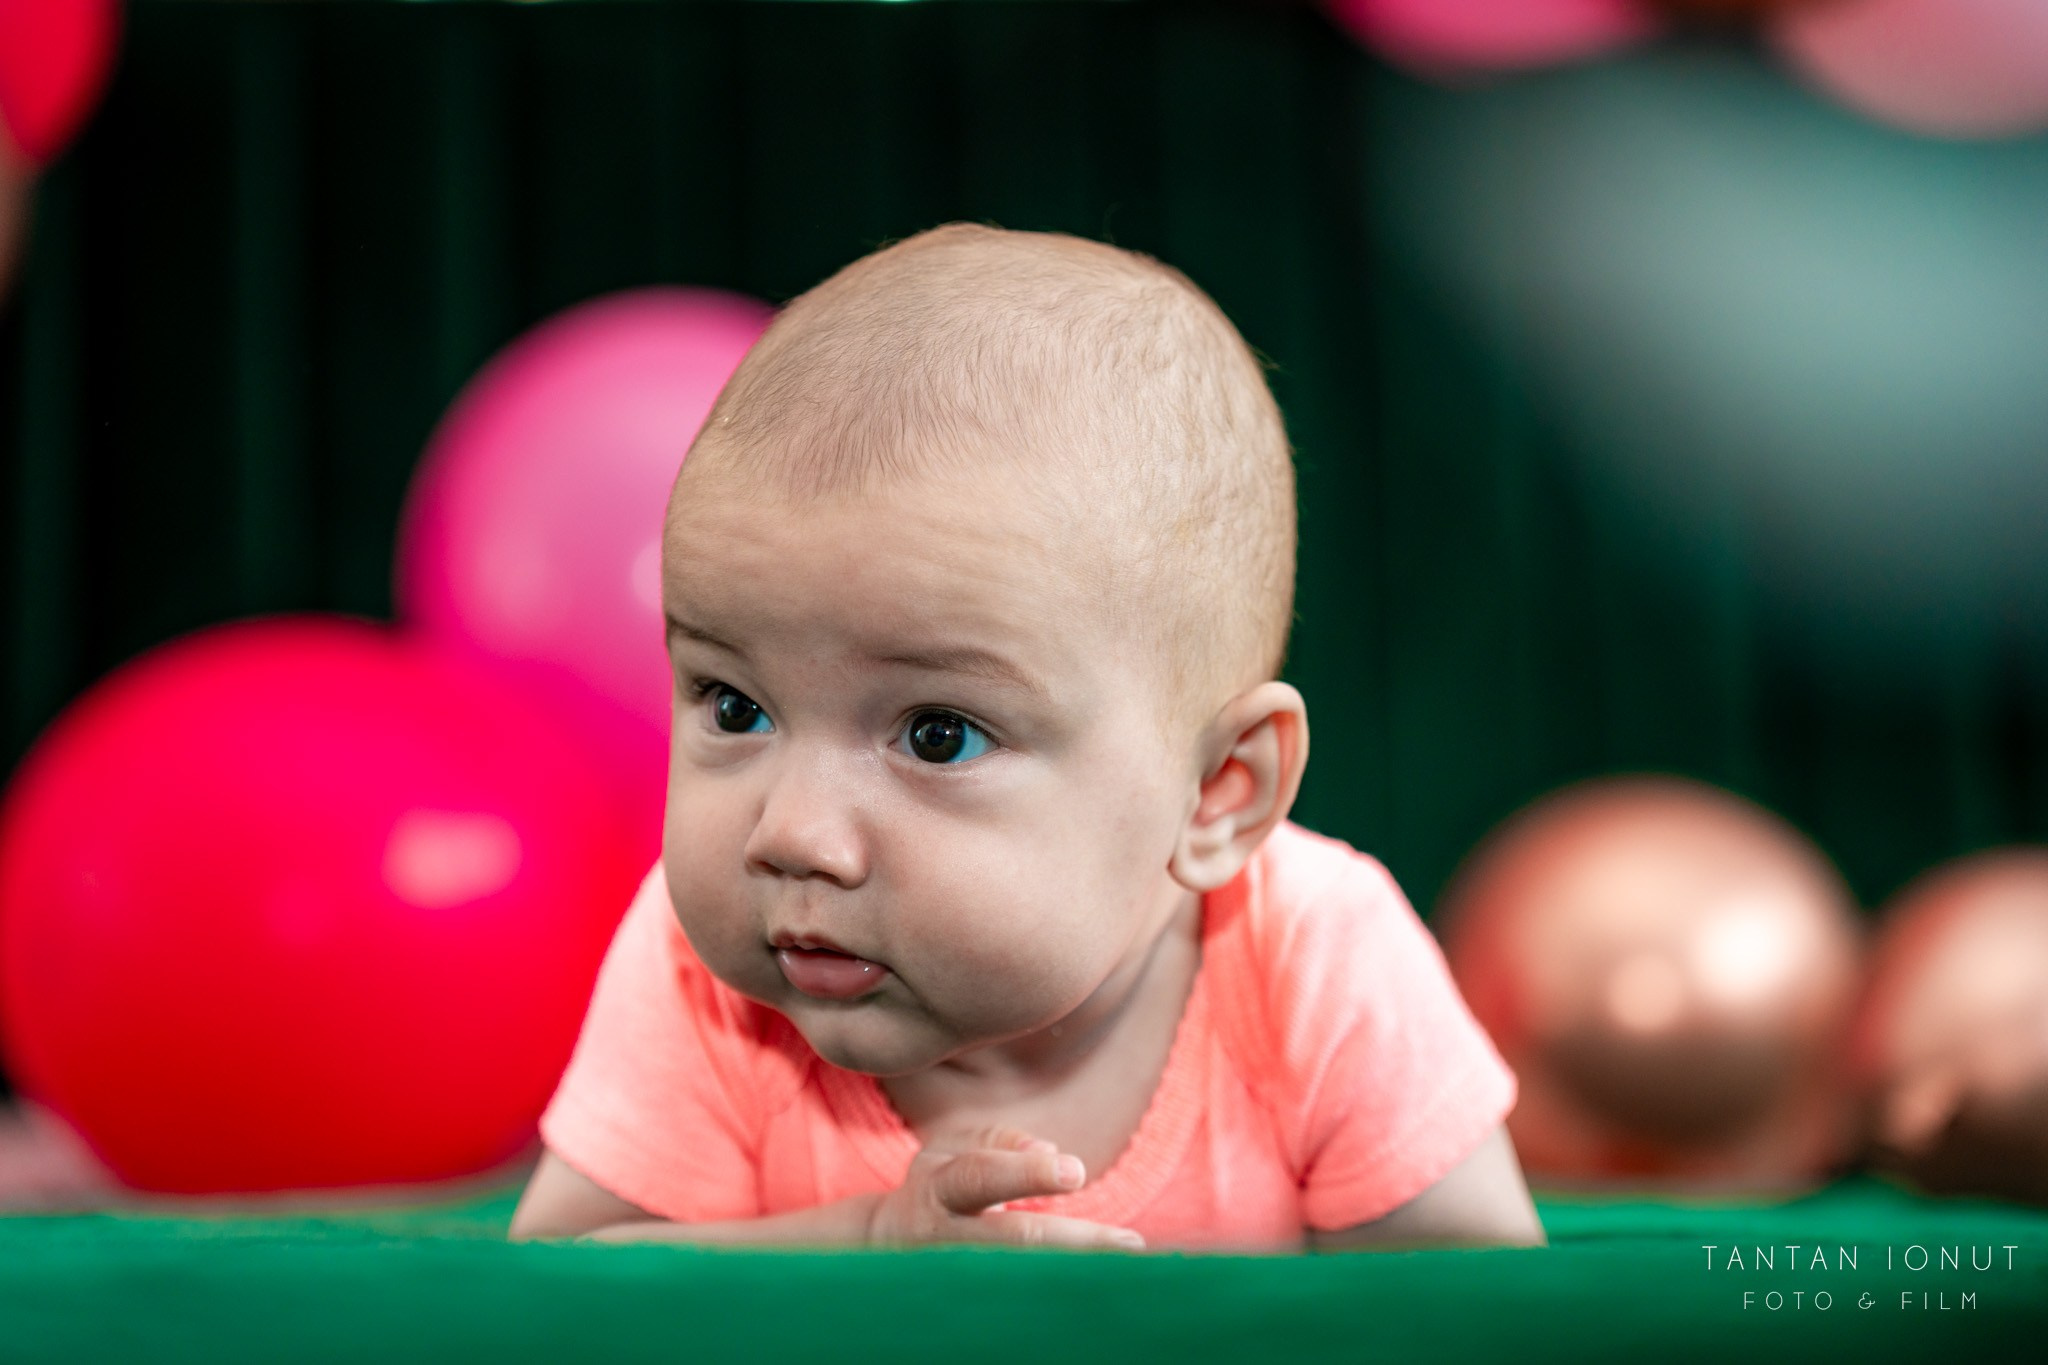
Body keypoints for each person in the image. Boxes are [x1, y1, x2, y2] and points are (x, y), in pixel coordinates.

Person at [508, 223, 1545, 1253]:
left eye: (938, 736)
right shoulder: (695, 974)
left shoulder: (1313, 960)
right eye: (735, 707)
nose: (792, 835)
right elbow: (559, 1290)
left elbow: (1485, 1308)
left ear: (1216, 791)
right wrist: (869, 1240)